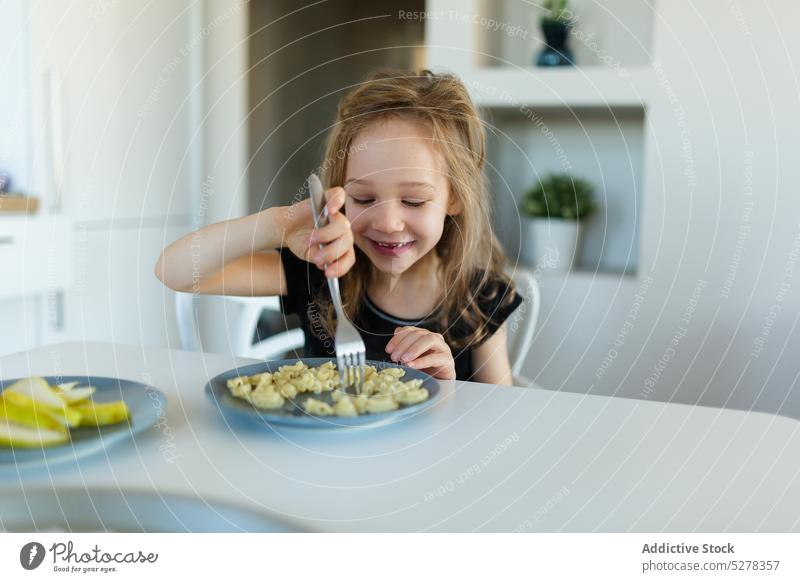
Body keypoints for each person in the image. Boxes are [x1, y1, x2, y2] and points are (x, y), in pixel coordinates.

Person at [155, 69, 523, 385]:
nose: (389, 223)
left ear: (455, 197)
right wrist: (276, 225)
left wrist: (451, 390)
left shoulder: (483, 298)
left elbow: (503, 417)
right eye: (363, 199)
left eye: (413, 201)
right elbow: (175, 272)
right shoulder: (319, 272)